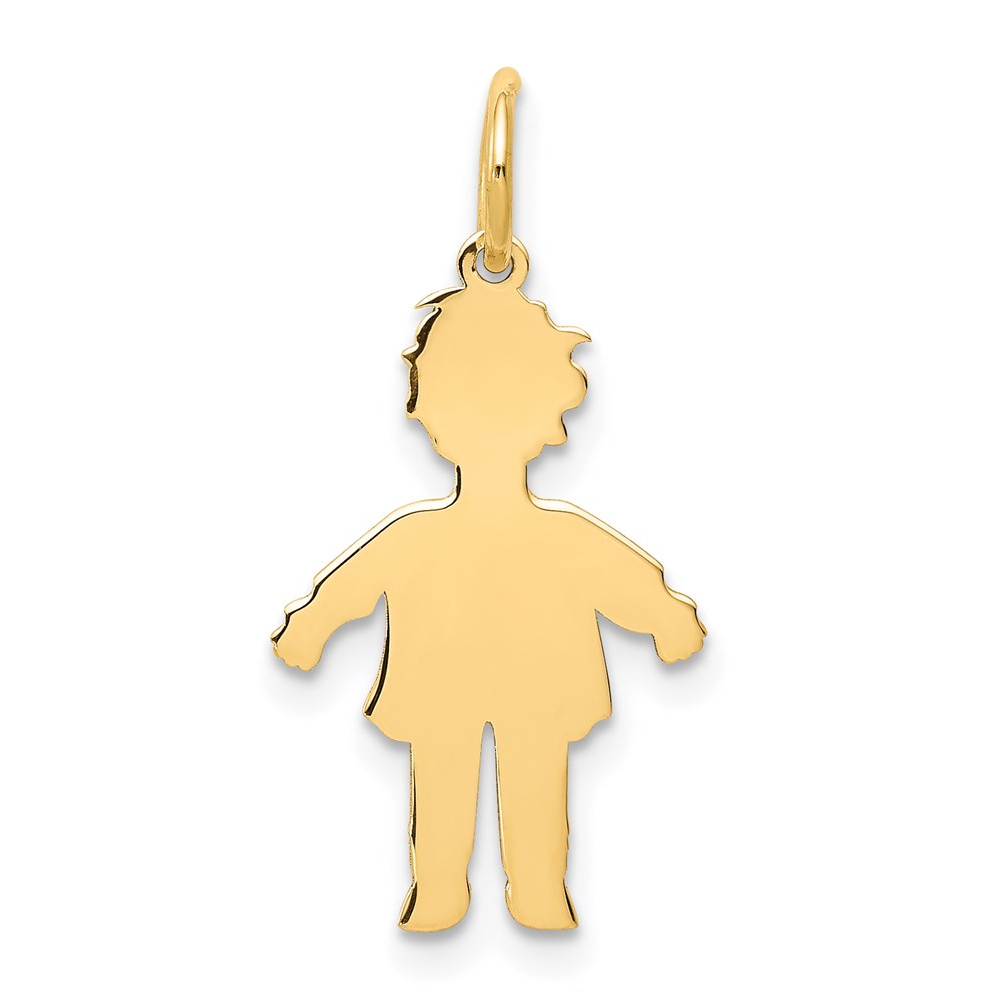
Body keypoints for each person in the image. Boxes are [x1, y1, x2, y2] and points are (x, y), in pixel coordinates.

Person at [272, 237, 705, 931]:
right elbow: (350, 587)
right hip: (452, 685)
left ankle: (527, 892)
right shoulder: (441, 536)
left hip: (522, 685)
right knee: (459, 784)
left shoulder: (508, 536)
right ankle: (453, 891)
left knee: (518, 782)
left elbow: (627, 582)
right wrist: (311, 626)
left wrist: (666, 618)